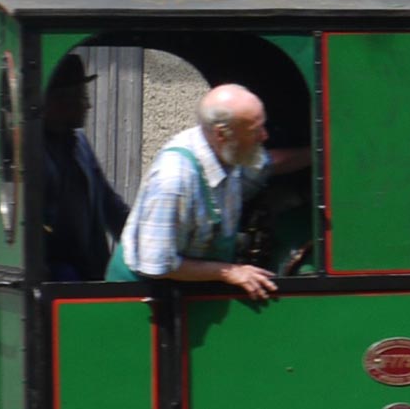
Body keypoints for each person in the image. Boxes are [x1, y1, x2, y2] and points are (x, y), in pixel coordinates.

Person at [108, 84, 303, 301]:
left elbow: (266, 164)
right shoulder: (174, 180)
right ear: (222, 134)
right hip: (139, 300)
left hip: (185, 291)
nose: (264, 136)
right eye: (255, 131)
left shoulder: (229, 149)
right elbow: (157, 264)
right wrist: (229, 272)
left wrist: (318, 153)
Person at [35, 54, 127, 283]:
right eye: (80, 96)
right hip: (57, 277)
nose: (88, 104)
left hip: (90, 272)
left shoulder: (80, 143)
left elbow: (109, 204)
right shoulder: (33, 152)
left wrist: (141, 238)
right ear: (54, 101)